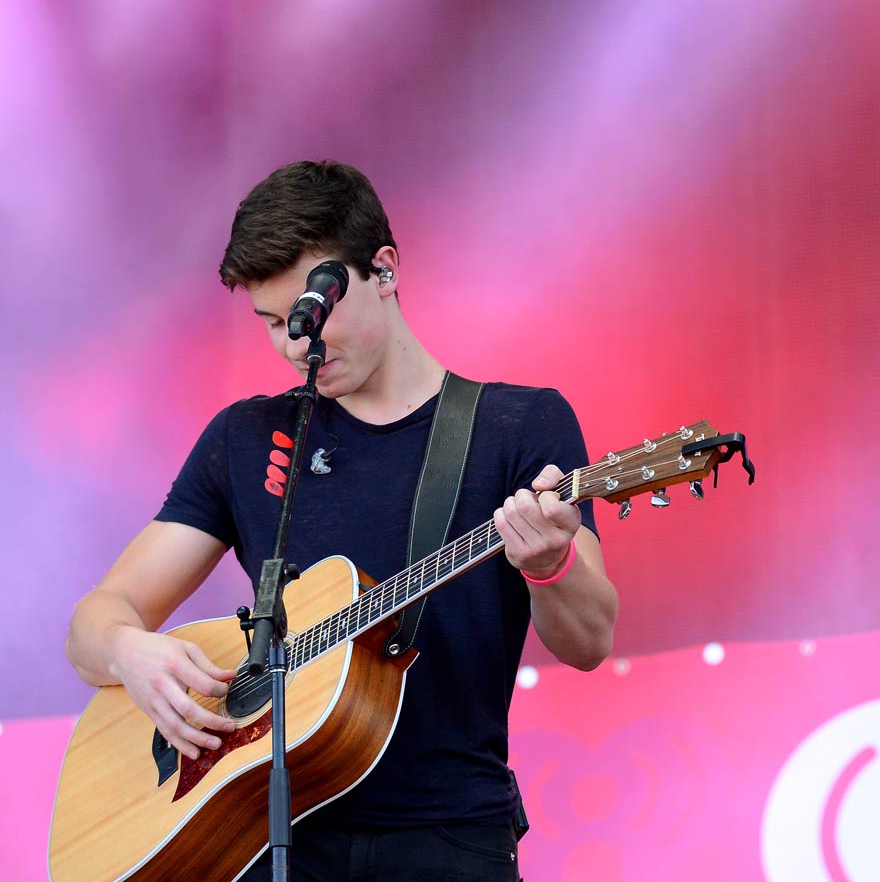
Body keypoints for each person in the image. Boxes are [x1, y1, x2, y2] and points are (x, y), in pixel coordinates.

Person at [65, 160, 619, 881]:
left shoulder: (518, 426)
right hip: (261, 837)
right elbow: (93, 625)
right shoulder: (247, 438)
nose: (296, 346)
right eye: (272, 323)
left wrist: (553, 566)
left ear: (383, 269)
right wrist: (131, 655)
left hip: (447, 839)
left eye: (308, 316)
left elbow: (590, 641)